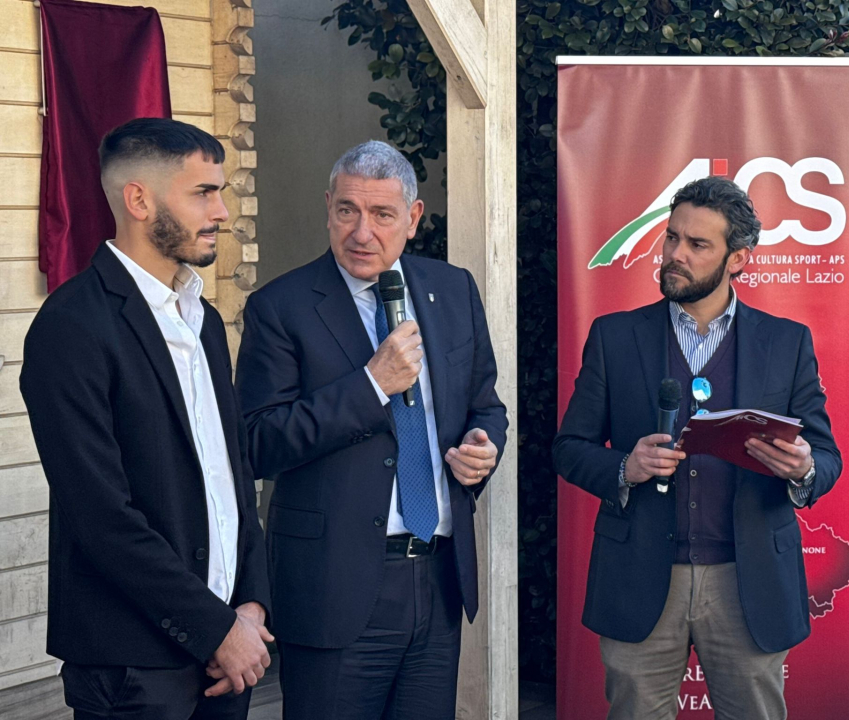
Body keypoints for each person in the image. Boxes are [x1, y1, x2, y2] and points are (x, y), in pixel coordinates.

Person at [235, 140, 508, 720]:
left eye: (382, 214)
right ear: (327, 207)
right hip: (333, 585)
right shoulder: (280, 307)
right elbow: (258, 444)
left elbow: (486, 405)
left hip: (436, 575)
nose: (362, 232)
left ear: (413, 217)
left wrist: (481, 450)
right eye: (347, 211)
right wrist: (370, 385)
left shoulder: (452, 289)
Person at [553, 176, 842, 720]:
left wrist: (803, 468)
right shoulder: (614, 336)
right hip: (639, 575)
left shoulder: (786, 342)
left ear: (738, 260)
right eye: (671, 237)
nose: (675, 254)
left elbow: (827, 457)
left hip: (748, 581)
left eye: (697, 244)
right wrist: (626, 466)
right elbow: (569, 448)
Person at [20, 118, 272, 720]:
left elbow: (232, 475)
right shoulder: (71, 326)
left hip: (229, 653)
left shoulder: (204, 321)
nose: (222, 212)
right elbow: (101, 517)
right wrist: (216, 629)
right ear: (139, 200)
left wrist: (251, 604)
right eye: (203, 193)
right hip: (133, 667)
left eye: (220, 192)